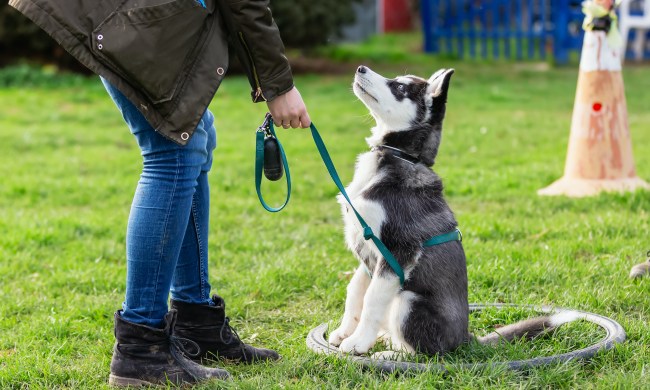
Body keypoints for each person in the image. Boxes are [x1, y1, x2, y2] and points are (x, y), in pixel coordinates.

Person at [9, 0, 310, 386]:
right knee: (172, 154)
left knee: (194, 138)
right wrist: (278, 86)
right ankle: (140, 348)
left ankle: (195, 320)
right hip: (125, 15)